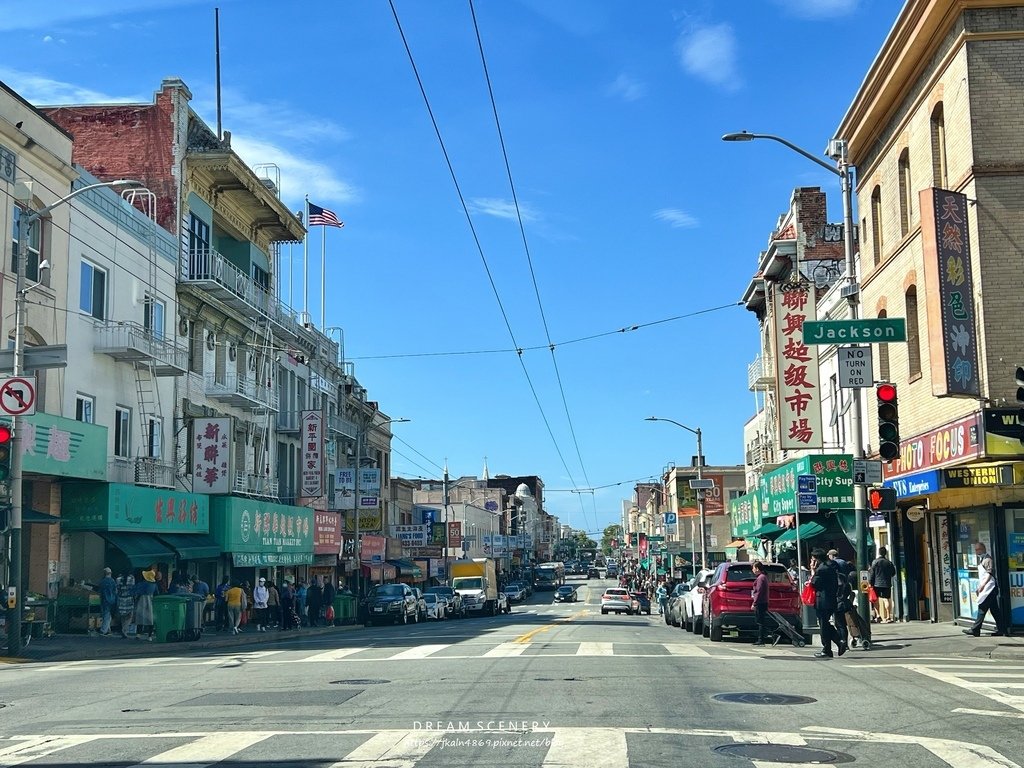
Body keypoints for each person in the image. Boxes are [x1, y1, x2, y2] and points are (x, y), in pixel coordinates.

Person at [964, 541, 1010, 637]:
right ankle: (1002, 629)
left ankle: (975, 629)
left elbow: (989, 573)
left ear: (983, 549)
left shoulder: (988, 559)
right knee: (994, 610)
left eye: (978, 549)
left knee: (982, 608)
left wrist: (983, 585)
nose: (976, 551)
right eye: (976, 550)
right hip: (987, 588)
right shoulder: (982, 560)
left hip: (990, 588)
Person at [809, 548, 845, 658]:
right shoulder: (831, 566)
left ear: (817, 559)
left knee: (823, 625)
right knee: (825, 624)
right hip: (831, 599)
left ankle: (830, 647)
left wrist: (813, 570)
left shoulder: (821, 569)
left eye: (813, 559)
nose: (812, 562)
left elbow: (814, 583)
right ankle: (836, 643)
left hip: (823, 600)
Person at [868, 546, 897, 623]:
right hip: (886, 583)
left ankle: (878, 616)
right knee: (886, 599)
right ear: (885, 553)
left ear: (879, 553)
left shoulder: (875, 562)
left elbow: (872, 574)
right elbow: (893, 573)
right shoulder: (889, 562)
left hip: (876, 584)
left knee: (875, 600)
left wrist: (870, 583)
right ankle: (888, 617)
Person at [132, 568, 158, 641]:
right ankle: (149, 636)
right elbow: (157, 593)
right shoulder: (154, 585)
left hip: (141, 600)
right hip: (151, 601)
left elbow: (136, 591)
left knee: (140, 618)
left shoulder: (141, 584)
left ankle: (138, 634)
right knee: (150, 619)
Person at [750, 560, 770, 647]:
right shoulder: (763, 577)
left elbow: (758, 591)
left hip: (761, 602)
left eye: (753, 568)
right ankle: (761, 638)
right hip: (763, 601)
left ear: (757, 568)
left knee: (760, 621)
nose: (752, 570)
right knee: (761, 620)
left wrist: (754, 603)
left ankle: (761, 639)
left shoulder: (761, 578)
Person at [97, 567, 118, 636]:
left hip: (104, 600)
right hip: (112, 600)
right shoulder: (113, 581)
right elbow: (115, 591)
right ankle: (108, 630)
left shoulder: (102, 582)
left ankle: (103, 630)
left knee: (105, 615)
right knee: (108, 615)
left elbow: (99, 591)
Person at [115, 572, 135, 638]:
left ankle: (124, 630)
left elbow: (116, 590)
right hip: (129, 599)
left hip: (121, 599)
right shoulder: (132, 578)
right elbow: (133, 589)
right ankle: (124, 630)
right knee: (130, 615)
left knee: (123, 616)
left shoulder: (118, 579)